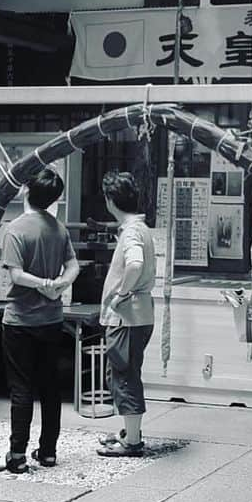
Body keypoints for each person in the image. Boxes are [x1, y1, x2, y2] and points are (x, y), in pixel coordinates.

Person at [0, 167, 79, 474]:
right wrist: (58, 285)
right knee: (50, 387)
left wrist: (40, 283)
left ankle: (17, 454)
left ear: (26, 191)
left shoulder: (15, 229)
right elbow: (73, 266)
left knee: (21, 388)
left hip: (20, 320)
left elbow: (15, 275)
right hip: (51, 319)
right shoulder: (59, 228)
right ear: (54, 198)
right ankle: (49, 451)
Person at [96, 171, 156, 459]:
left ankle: (132, 442)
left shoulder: (131, 231)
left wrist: (119, 294)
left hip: (127, 316)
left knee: (123, 376)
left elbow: (135, 264)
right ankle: (131, 432)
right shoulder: (140, 227)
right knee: (129, 372)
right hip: (141, 314)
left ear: (110, 201)